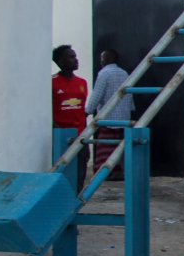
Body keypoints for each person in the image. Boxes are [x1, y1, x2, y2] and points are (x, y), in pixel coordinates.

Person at [84, 48, 135, 178]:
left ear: (106, 59)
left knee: (105, 148)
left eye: (102, 58)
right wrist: (130, 109)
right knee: (120, 147)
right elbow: (130, 95)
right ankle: (119, 172)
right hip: (123, 117)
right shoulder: (124, 73)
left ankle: (105, 173)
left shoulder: (104, 73)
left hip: (108, 117)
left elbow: (97, 95)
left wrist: (88, 111)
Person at [52, 44, 88, 187]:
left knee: (81, 173)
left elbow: (82, 111)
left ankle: (76, 201)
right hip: (61, 137)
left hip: (80, 136)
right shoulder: (52, 83)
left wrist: (86, 135)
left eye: (76, 56)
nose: (76, 60)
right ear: (60, 61)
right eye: (71, 57)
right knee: (62, 171)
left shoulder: (82, 82)